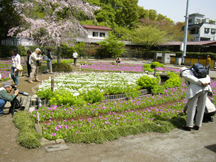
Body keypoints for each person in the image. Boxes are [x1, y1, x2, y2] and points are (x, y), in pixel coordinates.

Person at [180, 66, 212, 131]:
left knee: (191, 108)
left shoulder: (185, 72)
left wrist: (200, 83)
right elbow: (207, 76)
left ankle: (189, 125)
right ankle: (198, 124)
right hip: (205, 89)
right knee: (201, 108)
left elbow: (190, 78)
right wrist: (206, 83)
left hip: (195, 90)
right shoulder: (196, 71)